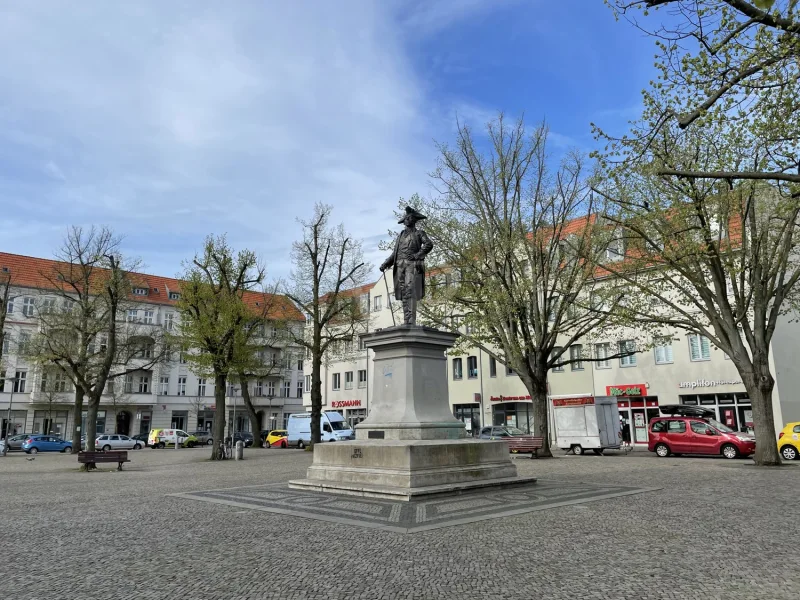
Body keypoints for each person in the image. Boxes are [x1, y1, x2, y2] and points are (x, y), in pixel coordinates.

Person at [379, 206, 434, 326]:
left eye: (410, 218)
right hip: (399, 265)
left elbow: (429, 244)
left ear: (414, 220)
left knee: (410, 290)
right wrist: (386, 263)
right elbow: (395, 253)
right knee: (404, 292)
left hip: (412, 265)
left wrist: (417, 255)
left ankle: (411, 320)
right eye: (406, 218)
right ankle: (406, 319)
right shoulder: (400, 236)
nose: (407, 220)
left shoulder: (419, 233)